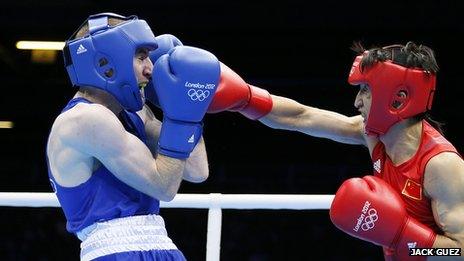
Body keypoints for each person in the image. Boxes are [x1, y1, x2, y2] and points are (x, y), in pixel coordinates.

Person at [205, 41, 464, 260]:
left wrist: (403, 235)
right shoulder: (373, 135)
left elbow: (459, 252)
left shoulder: (441, 165)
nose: (357, 101)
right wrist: (246, 99)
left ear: (397, 99)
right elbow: (302, 117)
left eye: (365, 90)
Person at [46, 13, 222, 260]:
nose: (151, 69)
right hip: (116, 251)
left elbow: (196, 169)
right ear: (107, 62)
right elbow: (164, 187)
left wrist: (183, 108)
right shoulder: (84, 119)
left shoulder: (137, 113)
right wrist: (182, 117)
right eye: (141, 57)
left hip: (162, 244)